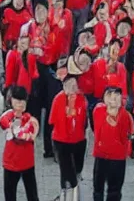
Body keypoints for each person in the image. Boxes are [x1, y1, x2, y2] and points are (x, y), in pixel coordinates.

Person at [49, 72, 88, 201]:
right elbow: (52, 121)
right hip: (62, 140)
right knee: (66, 170)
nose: (72, 88)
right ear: (64, 86)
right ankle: (69, 195)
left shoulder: (82, 99)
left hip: (79, 140)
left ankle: (69, 193)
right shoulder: (58, 99)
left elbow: (84, 121)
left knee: (77, 169)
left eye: (74, 85)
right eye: (68, 85)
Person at [92, 85, 134, 201]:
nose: (113, 99)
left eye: (116, 96)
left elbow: (123, 137)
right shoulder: (98, 110)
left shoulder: (125, 115)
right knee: (98, 188)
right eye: (109, 95)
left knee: (114, 190)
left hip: (117, 157)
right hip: (101, 155)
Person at [0, 85, 40, 201]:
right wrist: (11, 125)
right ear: (11, 101)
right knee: (10, 195)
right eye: (17, 100)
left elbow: (28, 134)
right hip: (10, 162)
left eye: (23, 101)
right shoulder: (8, 116)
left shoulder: (30, 120)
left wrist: (17, 130)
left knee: (32, 194)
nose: (20, 104)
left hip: (27, 162)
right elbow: (2, 121)